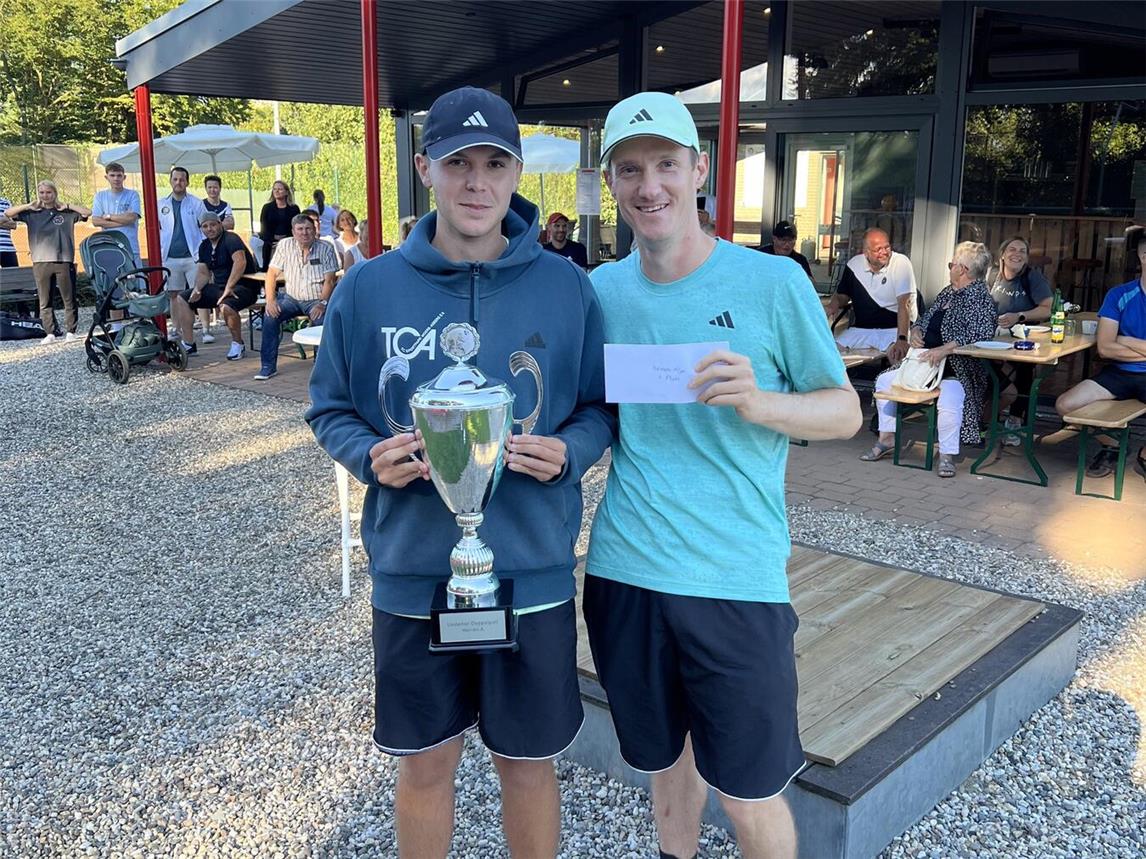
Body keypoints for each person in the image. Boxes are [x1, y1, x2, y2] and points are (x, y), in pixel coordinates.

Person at [305, 85, 614, 859]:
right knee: (426, 761)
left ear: (516, 176)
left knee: (528, 762)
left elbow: (602, 408)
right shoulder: (369, 288)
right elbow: (330, 407)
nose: (477, 183)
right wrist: (366, 456)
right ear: (424, 169)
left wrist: (572, 451)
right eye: (458, 164)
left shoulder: (567, 286)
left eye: (495, 164)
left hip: (532, 571)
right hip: (414, 571)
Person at [584, 91, 861, 859]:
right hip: (626, 570)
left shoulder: (772, 284)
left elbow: (845, 413)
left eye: (666, 164)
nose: (651, 186)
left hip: (736, 580)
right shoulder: (602, 293)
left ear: (699, 170)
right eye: (631, 169)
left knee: (749, 791)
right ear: (612, 182)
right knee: (666, 762)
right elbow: (585, 411)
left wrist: (763, 403)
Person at [862, 241, 998, 478]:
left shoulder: (978, 297)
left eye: (951, 264)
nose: (950, 268)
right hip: (924, 363)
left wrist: (944, 350)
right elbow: (926, 319)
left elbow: (980, 332)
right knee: (884, 382)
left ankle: (946, 455)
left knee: (951, 396)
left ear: (963, 269)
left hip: (957, 367)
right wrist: (916, 331)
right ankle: (887, 439)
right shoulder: (948, 292)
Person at [1055, 230, 1146, 479]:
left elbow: (1114, 342)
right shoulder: (1119, 295)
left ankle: (1144, 456)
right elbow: (1105, 348)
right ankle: (1114, 445)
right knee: (1065, 405)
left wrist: (1125, 340)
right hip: (1120, 373)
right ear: (1143, 258)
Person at [254, 213, 339, 380]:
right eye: (300, 229)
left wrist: (322, 303)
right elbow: (271, 274)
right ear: (293, 232)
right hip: (290, 298)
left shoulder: (326, 248)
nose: (304, 233)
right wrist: (270, 301)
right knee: (270, 316)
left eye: (308, 228)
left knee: (322, 321)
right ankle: (267, 366)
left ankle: (320, 368)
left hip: (316, 298)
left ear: (315, 230)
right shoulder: (285, 246)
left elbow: (330, 280)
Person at [5, 182, 91, 342]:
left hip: (63, 260)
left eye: (49, 192)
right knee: (45, 300)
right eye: (42, 192)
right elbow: (8, 213)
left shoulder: (66, 212)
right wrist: (29, 205)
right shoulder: (31, 213)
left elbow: (87, 212)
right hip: (40, 261)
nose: (45, 195)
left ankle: (71, 331)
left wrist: (67, 204)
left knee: (69, 298)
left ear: (55, 193)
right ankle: (50, 332)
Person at [989, 236, 1053, 442]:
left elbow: (1047, 309)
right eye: (1012, 249)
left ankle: (1015, 419)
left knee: (1025, 368)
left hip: (1021, 336)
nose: (1016, 254)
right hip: (992, 337)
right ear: (1002, 254)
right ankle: (986, 414)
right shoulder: (990, 276)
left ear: (1026, 258)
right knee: (984, 366)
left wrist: (1020, 316)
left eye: (1022, 251)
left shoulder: (1032, 278)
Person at [169, 211, 258, 360]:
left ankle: (238, 344)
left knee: (226, 306)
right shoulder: (204, 246)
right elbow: (204, 273)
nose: (209, 229)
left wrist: (230, 287)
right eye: (205, 226)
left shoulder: (231, 238)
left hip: (244, 287)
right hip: (219, 288)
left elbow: (240, 262)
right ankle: (189, 344)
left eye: (212, 225)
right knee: (182, 299)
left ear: (220, 224)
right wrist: (197, 289)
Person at [825, 227, 917, 364]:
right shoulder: (854, 264)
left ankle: (889, 384)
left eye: (887, 247)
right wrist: (833, 304)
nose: (884, 252)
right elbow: (843, 295)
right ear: (866, 252)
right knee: (828, 354)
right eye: (878, 249)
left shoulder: (901, 263)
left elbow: (904, 304)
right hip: (861, 329)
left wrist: (902, 339)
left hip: (894, 329)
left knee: (898, 357)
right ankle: (842, 385)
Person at [157, 166, 206, 342]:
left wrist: (202, 252)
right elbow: (157, 230)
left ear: (187, 182)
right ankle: (176, 329)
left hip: (192, 256)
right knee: (173, 294)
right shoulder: (161, 204)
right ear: (170, 181)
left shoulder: (196, 203)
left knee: (198, 292)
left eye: (182, 179)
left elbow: (204, 228)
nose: (178, 182)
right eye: (175, 179)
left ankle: (205, 329)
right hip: (170, 257)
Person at [91, 162, 142, 264]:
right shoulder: (100, 196)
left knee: (136, 278)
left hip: (131, 247)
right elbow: (96, 221)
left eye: (119, 175)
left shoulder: (133, 195)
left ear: (124, 177)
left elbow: (132, 218)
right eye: (112, 175)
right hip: (109, 247)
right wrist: (124, 220)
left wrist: (109, 216)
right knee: (114, 279)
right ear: (107, 177)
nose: (116, 179)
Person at [258, 180, 300, 271]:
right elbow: (264, 227)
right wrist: (273, 239)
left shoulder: (294, 208)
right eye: (274, 189)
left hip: (289, 240)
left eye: (280, 189)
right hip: (270, 242)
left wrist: (283, 240)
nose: (276, 191)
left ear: (286, 192)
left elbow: (297, 226)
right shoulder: (267, 208)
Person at [0, 192, 17, 268]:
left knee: (14, 277)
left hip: (8, 248)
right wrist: (4, 220)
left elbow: (13, 225)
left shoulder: (6, 203)